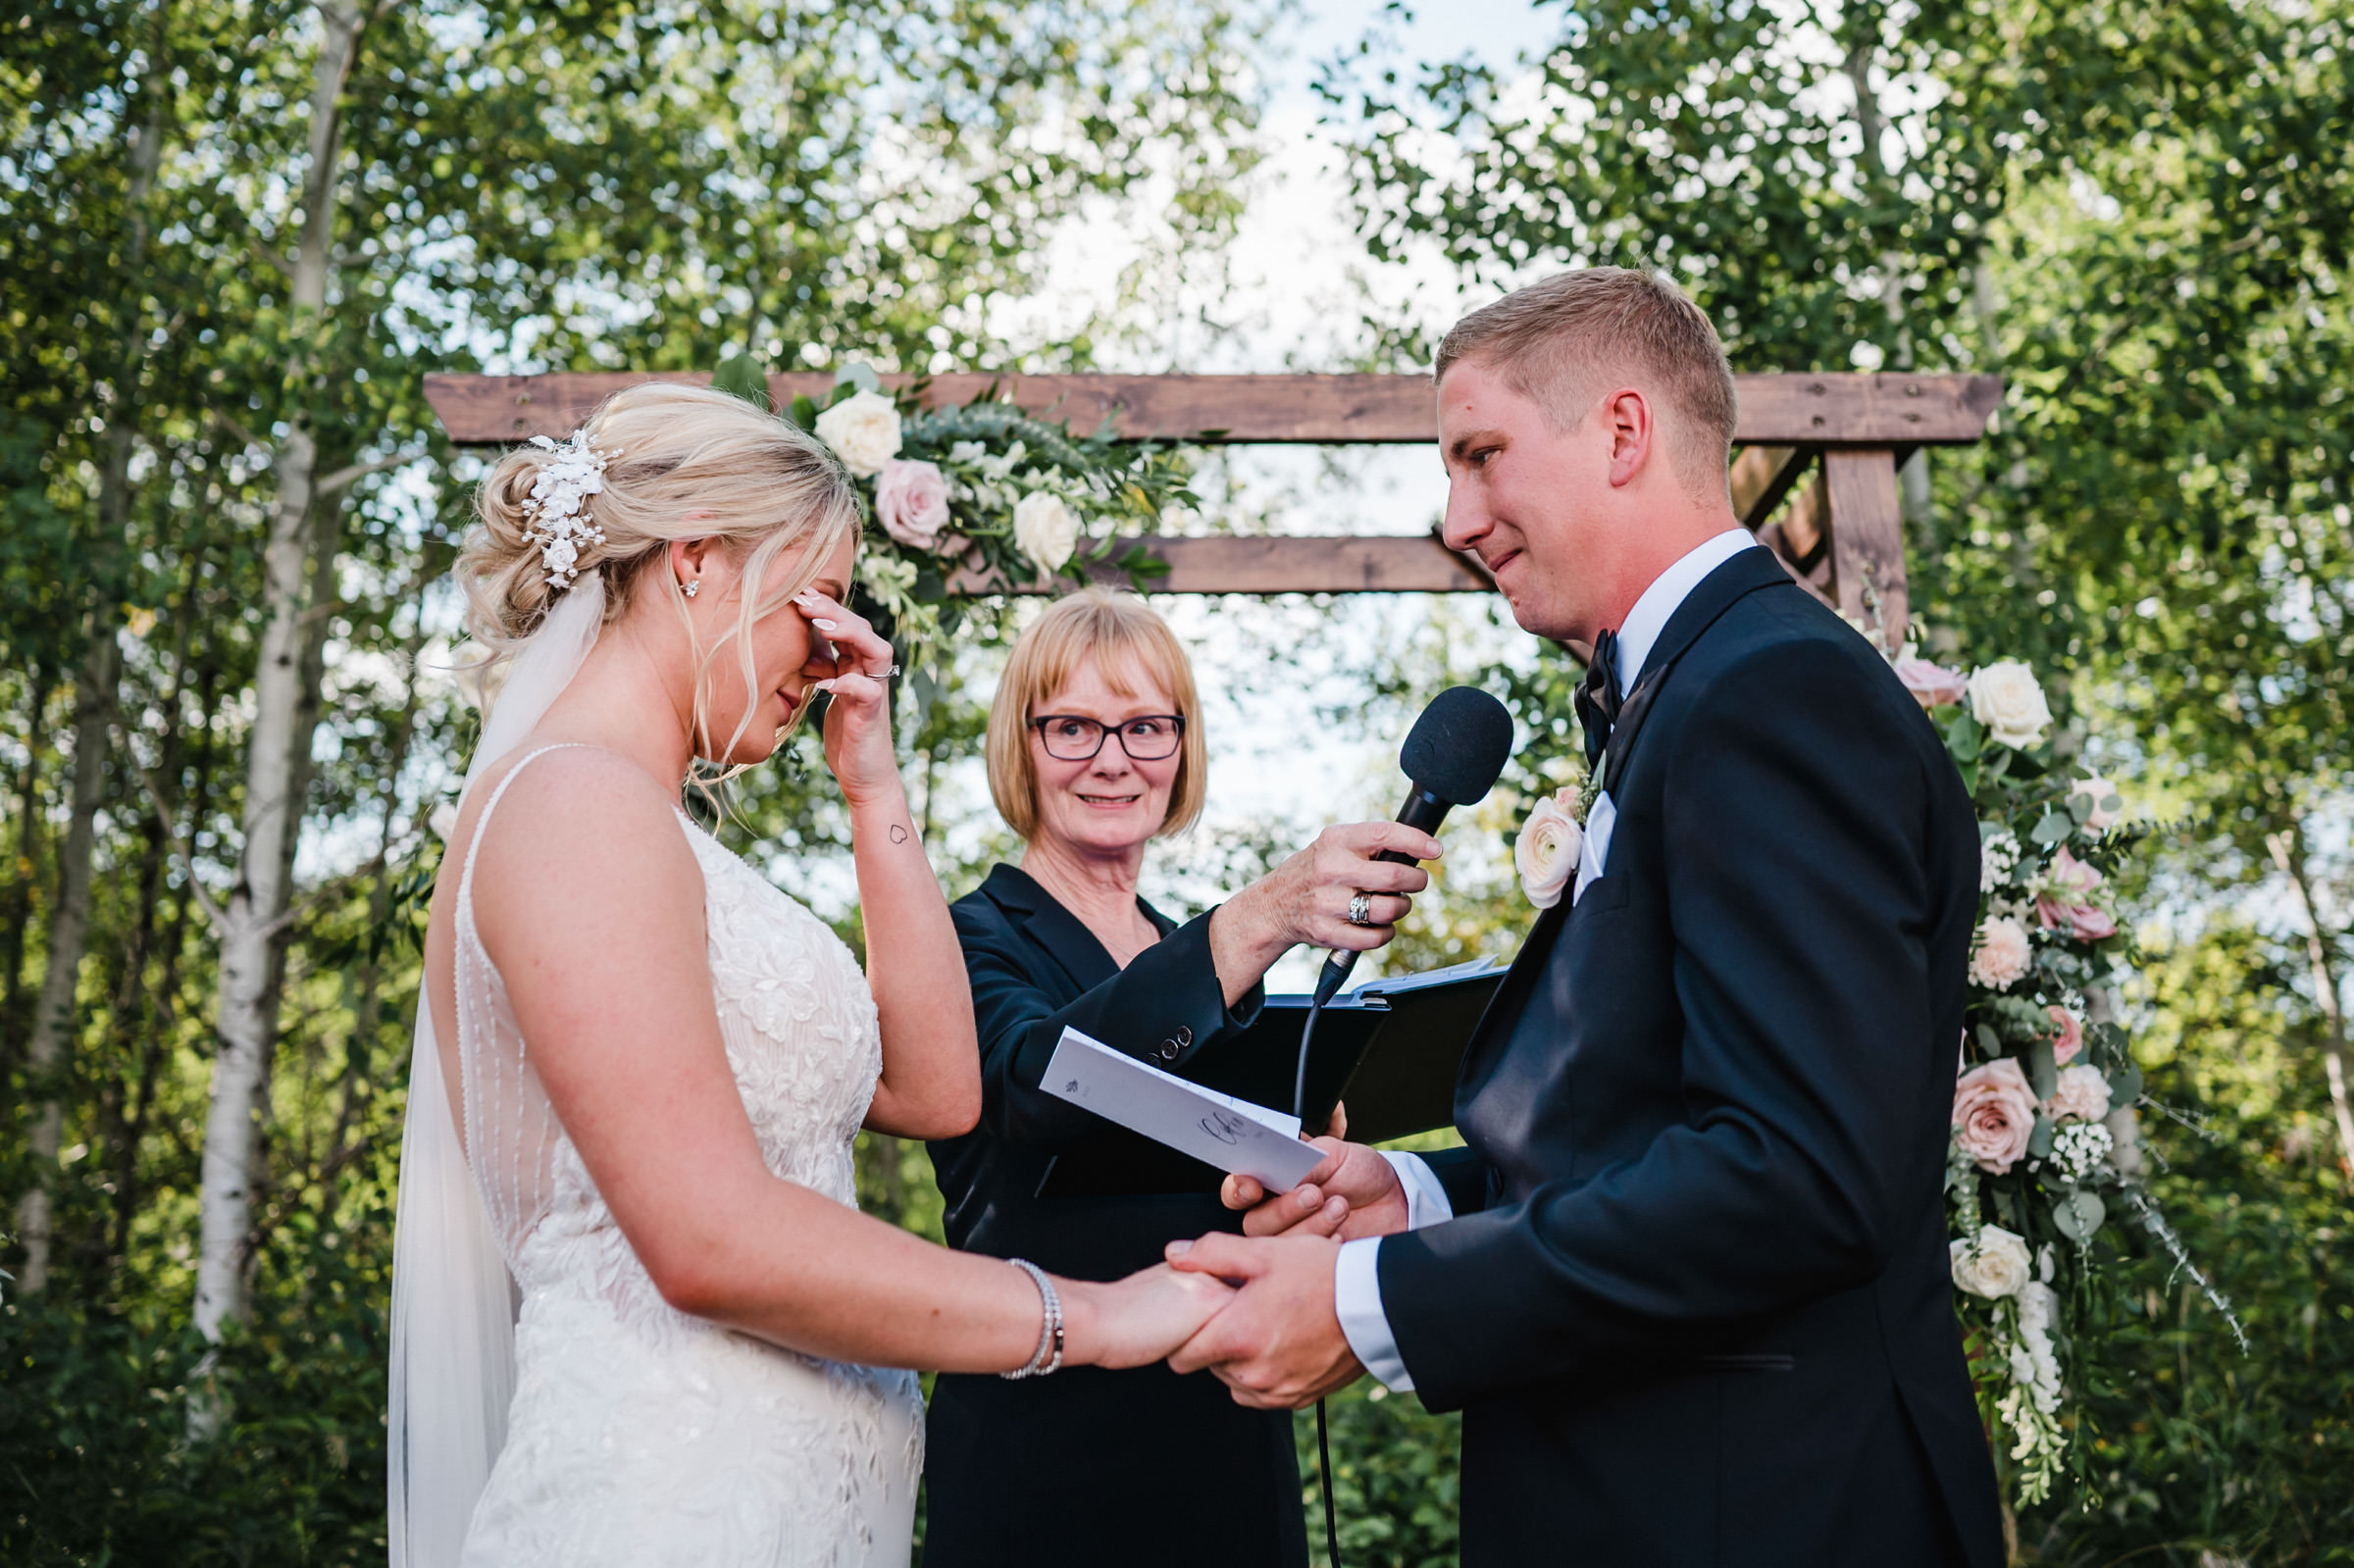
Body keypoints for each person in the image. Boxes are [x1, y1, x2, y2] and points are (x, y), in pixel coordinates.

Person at [1165, 270, 2009, 1566]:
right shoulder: (1693, 694)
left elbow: (1798, 1173)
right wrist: (1419, 1197)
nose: (1457, 517)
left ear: (1623, 434)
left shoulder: (1772, 691)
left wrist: (1371, 1298)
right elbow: (1651, 1122)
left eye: (1482, 453)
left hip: (1757, 1510)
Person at [384, 384, 1232, 1568]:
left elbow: (938, 1091)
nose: (831, 644)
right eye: (813, 600)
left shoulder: (647, 827)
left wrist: (871, 784)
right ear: (694, 563)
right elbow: (708, 1238)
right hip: (661, 1512)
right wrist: (1085, 1315)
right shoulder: (576, 805)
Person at [921, 587, 1439, 1568]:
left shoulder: (1192, 958)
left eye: (1145, 727)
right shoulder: (967, 938)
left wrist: (1308, 1163)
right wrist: (1262, 914)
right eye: (1073, 726)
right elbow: (1036, 1089)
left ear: (1182, 745)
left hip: (1227, 1443)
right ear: (1020, 744)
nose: (1113, 759)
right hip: (1049, 1454)